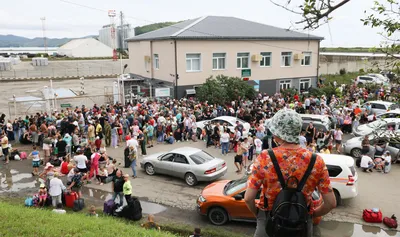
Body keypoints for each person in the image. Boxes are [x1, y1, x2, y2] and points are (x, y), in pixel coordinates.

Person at [244, 109, 336, 237]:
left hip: (268, 220)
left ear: (278, 134)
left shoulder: (265, 158)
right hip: (301, 222)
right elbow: (331, 203)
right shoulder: (316, 161)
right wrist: (312, 214)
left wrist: (259, 216)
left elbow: (248, 198)